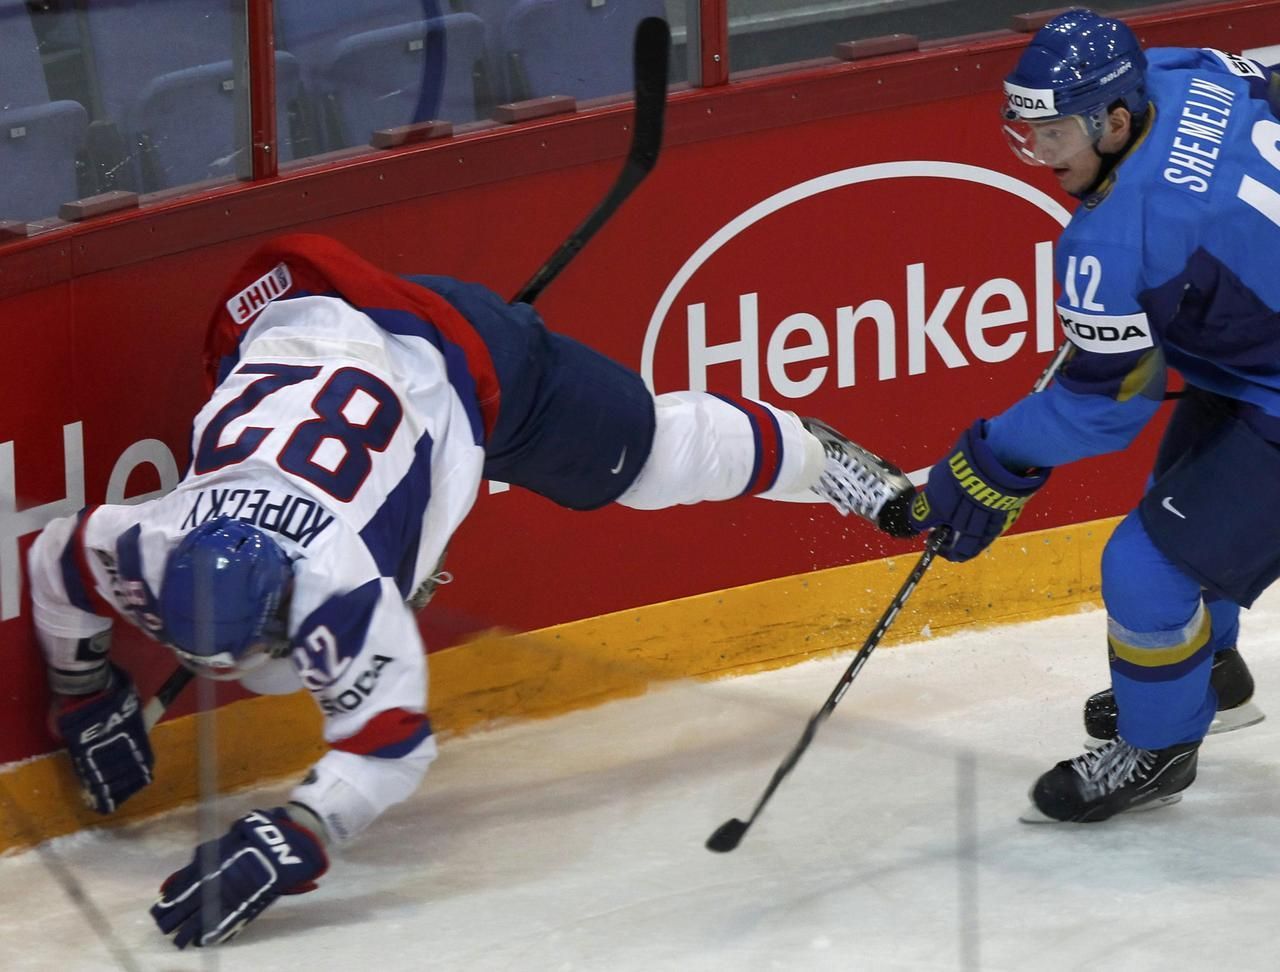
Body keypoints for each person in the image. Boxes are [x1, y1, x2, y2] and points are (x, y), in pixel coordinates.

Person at [25, 232, 913, 948]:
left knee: (647, 459)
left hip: (463, 355)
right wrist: (83, 694)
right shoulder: (155, 542)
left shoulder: (339, 586)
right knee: (277, 669)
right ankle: (414, 544)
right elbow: (56, 562)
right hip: (294, 332)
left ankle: (818, 460)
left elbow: (389, 748)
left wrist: (294, 835)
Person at [905, 8, 1280, 822]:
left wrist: (993, 454)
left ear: (1114, 121)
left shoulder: (1114, 241)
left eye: (1057, 135)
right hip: (1253, 363)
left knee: (1146, 567)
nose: (1043, 154)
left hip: (1266, 377)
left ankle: (1156, 750)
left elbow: (1106, 410)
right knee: (1181, 513)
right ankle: (1205, 671)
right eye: (1030, 132)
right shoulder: (1183, 71)